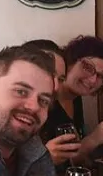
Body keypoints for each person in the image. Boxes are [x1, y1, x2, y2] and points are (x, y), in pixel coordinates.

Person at [38, 35, 103, 167]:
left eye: (100, 76)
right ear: (69, 62)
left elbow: (74, 158)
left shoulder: (76, 98)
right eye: (88, 67)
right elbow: (52, 162)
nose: (93, 80)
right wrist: (93, 139)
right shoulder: (44, 103)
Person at [21, 39, 81, 167]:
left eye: (61, 79)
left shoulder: (51, 106)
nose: (56, 87)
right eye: (49, 74)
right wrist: (44, 160)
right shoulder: (5, 119)